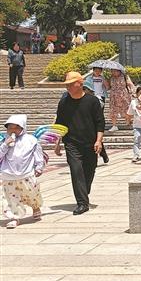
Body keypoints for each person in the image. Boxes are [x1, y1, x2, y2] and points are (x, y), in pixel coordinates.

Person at [54, 71, 105, 215]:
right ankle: (82, 203)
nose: (68, 87)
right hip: (71, 143)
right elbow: (60, 123)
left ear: (80, 83)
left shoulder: (92, 101)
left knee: (89, 170)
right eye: (67, 85)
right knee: (76, 171)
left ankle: (83, 192)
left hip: (90, 143)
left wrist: (98, 140)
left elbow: (100, 122)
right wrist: (57, 142)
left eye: (71, 84)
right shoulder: (64, 102)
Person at [1, 114, 45, 228]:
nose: (13, 130)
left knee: (31, 193)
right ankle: (14, 217)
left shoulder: (31, 140)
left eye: (16, 127)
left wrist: (39, 167)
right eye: (10, 127)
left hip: (26, 173)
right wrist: (5, 145)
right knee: (11, 198)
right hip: (8, 174)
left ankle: (35, 207)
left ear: (23, 128)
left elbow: (38, 154)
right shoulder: (4, 140)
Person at [127, 87, 141, 163]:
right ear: (137, 94)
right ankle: (136, 155)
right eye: (140, 93)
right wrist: (128, 121)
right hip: (137, 125)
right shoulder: (133, 102)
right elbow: (129, 113)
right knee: (136, 139)